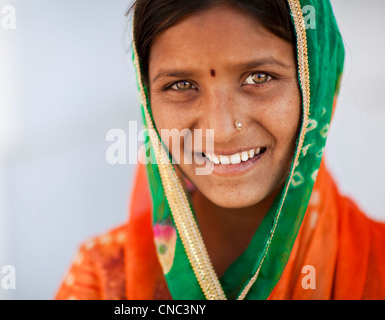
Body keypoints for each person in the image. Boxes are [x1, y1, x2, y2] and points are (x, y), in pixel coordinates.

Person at [55, 0, 385, 300]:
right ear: (147, 98)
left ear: (317, 85)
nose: (222, 131)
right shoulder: (103, 281)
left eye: (259, 77)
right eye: (181, 85)